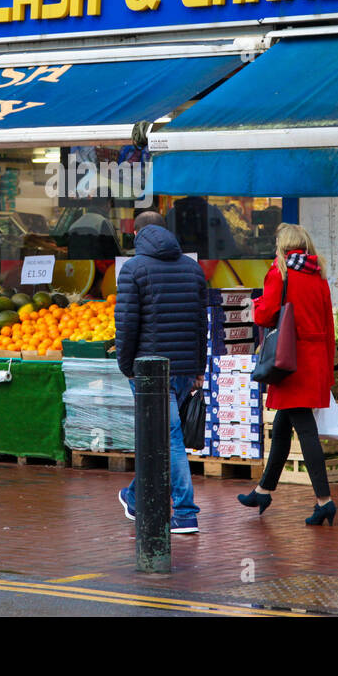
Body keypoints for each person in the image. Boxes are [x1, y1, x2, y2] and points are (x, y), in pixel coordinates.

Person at [238, 223, 338, 526]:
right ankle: (263, 490)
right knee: (282, 427)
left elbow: (266, 314)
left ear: (282, 247)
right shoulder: (318, 276)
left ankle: (325, 501)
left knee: (306, 432)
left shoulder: (279, 273)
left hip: (289, 363)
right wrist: (328, 367)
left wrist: (255, 305)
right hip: (314, 360)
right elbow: (329, 324)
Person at [115, 210, 208, 534]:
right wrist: (199, 367)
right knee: (160, 438)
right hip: (183, 370)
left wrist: (127, 367)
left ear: (137, 235)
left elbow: (126, 325)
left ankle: (185, 511)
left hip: (151, 373)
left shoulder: (133, 270)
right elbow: (202, 323)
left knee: (167, 438)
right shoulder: (193, 269)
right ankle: (136, 497)